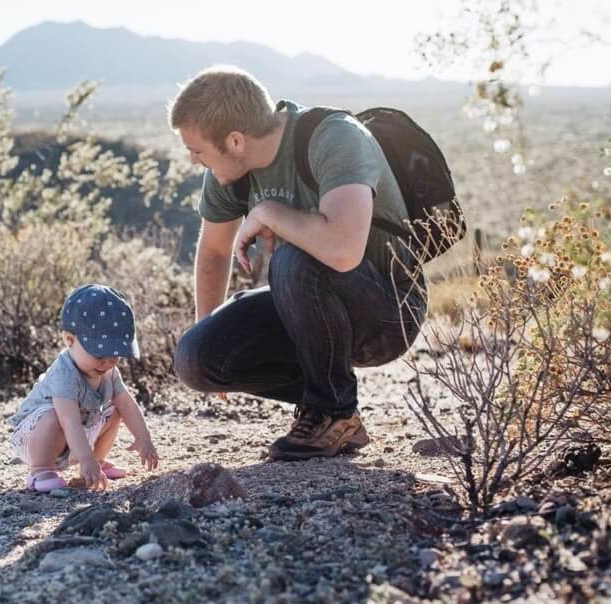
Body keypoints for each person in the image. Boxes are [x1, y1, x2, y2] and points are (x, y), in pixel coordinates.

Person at [169, 65, 427, 461]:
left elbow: (342, 250)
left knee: (293, 258)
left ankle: (332, 411)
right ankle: (340, 413)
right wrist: (211, 331)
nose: (192, 161)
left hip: (388, 310)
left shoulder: (334, 137)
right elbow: (216, 252)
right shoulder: (229, 173)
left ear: (235, 140)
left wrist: (270, 211)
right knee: (197, 358)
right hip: (307, 307)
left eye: (197, 150)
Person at [8, 284, 160, 492]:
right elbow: (68, 420)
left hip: (77, 435)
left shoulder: (107, 370)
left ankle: (96, 462)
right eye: (99, 354)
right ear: (70, 340)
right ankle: (40, 470)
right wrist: (84, 458)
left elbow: (128, 404)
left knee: (115, 410)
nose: (107, 362)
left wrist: (144, 439)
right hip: (36, 437)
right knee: (53, 415)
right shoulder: (65, 373)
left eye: (114, 354)